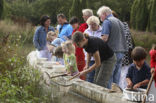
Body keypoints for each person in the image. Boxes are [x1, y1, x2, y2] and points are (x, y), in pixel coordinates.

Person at [97, 6, 127, 87]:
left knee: (109, 75)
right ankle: (115, 94)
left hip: (112, 52)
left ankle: (109, 94)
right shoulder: (119, 21)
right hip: (122, 51)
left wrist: (96, 41)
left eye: (100, 16)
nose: (100, 18)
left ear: (105, 14)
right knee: (117, 76)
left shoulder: (107, 21)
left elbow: (104, 38)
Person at [84, 16, 102, 83]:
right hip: (89, 58)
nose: (92, 26)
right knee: (89, 76)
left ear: (98, 24)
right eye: (90, 24)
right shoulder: (86, 31)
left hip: (99, 57)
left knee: (98, 77)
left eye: (94, 24)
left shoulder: (102, 31)